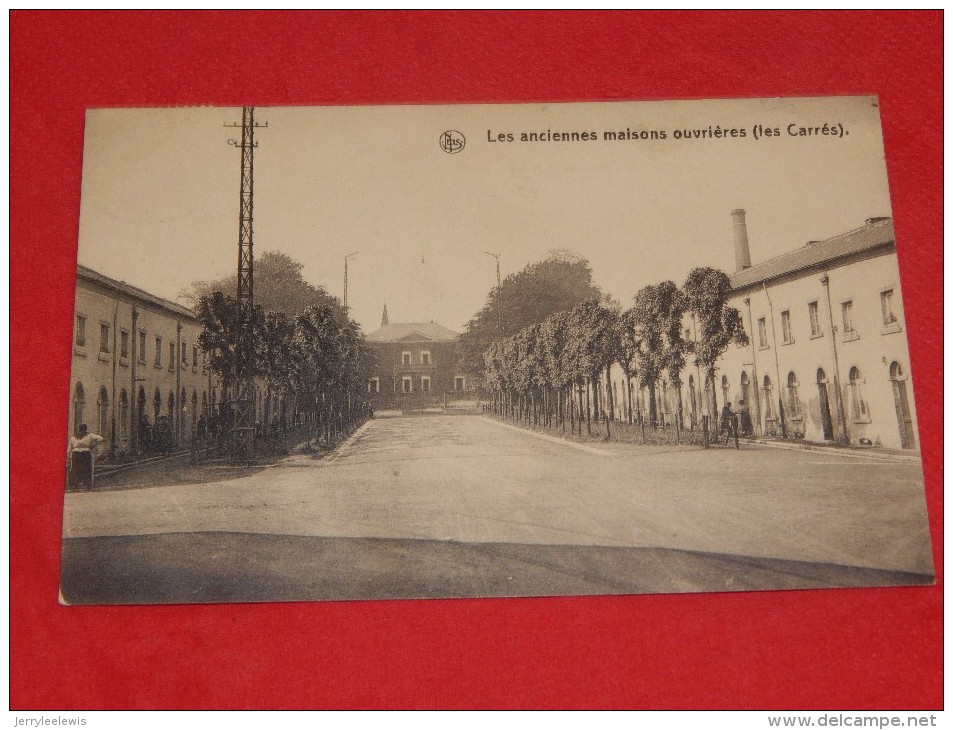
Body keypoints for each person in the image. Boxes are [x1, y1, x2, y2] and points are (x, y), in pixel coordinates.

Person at [67, 423, 104, 489]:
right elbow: (101, 438)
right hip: (86, 453)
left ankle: (75, 485)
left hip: (76, 453)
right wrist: (94, 445)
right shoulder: (89, 435)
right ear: (86, 429)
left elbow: (69, 448)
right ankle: (88, 484)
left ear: (79, 429)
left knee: (75, 469)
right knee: (87, 469)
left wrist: (68, 456)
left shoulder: (74, 437)